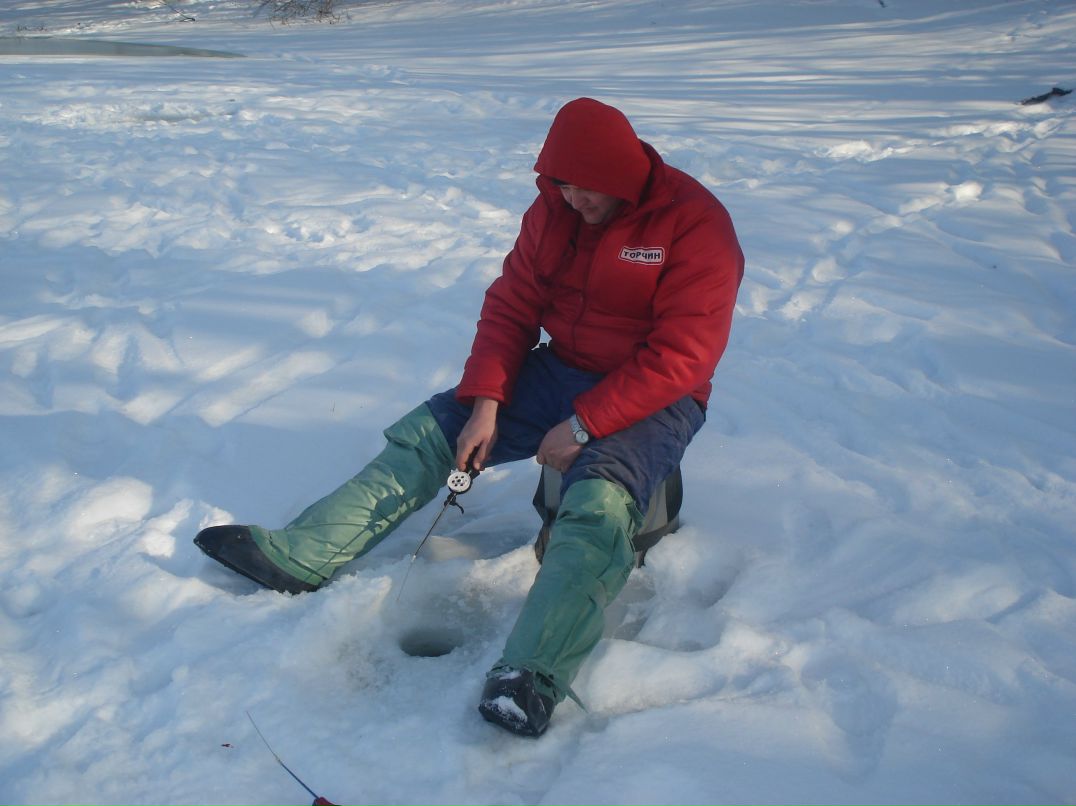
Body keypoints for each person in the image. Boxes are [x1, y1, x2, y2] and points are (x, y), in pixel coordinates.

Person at [194, 97, 744, 737]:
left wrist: (583, 426)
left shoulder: (693, 223)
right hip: (559, 367)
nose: (574, 203)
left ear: (622, 177)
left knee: (596, 506)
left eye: (588, 191)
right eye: (562, 187)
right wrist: (485, 404)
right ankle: (302, 556)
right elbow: (512, 305)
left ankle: (532, 675)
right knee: (432, 434)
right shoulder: (554, 212)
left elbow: (683, 356)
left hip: (654, 393)